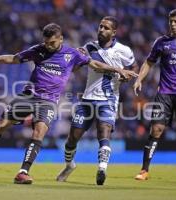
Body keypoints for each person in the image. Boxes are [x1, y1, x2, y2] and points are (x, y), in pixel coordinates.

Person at [0, 23, 138, 184]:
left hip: (48, 101)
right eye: (46, 42)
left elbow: (94, 63)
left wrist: (117, 69)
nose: (48, 45)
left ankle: (23, 172)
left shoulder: (71, 54)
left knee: (39, 132)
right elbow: (13, 59)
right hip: (29, 95)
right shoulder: (39, 50)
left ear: (61, 39)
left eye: (52, 42)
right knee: (0, 127)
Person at [56, 16, 139, 185]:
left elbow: (134, 67)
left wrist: (127, 78)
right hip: (87, 100)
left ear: (114, 32)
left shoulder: (124, 50)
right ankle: (69, 165)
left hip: (108, 100)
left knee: (104, 133)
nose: (101, 29)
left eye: (106, 28)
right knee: (72, 138)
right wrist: (77, 58)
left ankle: (102, 169)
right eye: (100, 26)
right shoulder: (89, 47)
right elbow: (77, 67)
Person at [133, 9, 176, 182]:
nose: (173, 24)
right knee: (156, 129)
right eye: (171, 21)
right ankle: (144, 170)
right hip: (164, 92)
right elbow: (149, 62)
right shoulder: (161, 42)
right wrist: (139, 79)